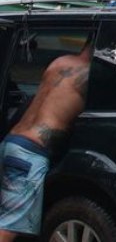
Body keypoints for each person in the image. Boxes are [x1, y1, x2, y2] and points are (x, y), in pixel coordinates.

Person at [1, 38, 92, 241]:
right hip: (30, 154)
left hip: (12, 142)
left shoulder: (60, 62)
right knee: (9, 225)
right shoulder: (90, 75)